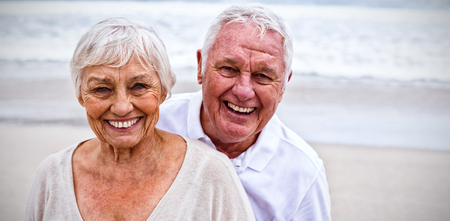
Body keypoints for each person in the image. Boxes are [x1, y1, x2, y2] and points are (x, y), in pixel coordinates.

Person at [25, 17, 255, 221]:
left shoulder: (211, 173)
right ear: (80, 95)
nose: (122, 107)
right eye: (102, 89)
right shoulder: (53, 174)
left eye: (139, 86)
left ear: (164, 92)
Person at [156, 4, 331, 220]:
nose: (243, 91)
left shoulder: (302, 172)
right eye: (229, 69)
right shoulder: (155, 124)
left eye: (263, 76)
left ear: (284, 85)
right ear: (201, 66)